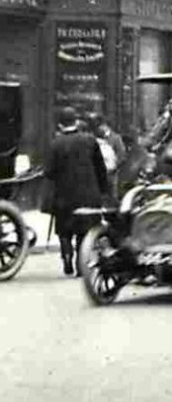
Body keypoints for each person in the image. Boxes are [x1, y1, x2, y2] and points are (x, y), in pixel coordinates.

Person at [43, 107, 109, 277]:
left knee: (64, 230)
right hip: (88, 195)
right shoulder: (90, 140)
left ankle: (67, 257)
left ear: (60, 125)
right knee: (84, 230)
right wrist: (104, 191)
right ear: (76, 122)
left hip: (64, 196)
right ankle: (81, 263)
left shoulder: (55, 143)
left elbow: (49, 172)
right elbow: (100, 168)